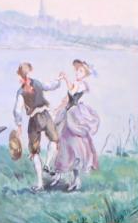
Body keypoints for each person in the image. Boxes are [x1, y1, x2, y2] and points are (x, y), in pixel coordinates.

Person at [49, 59, 101, 190]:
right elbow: (68, 97)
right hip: (67, 114)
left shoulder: (82, 85)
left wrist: (66, 79)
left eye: (81, 71)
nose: (78, 72)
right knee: (62, 144)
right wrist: (57, 109)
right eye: (77, 70)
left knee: (76, 147)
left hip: (75, 116)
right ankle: (59, 175)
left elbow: (72, 92)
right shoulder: (76, 84)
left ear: (85, 74)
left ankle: (76, 180)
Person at [12, 62, 62, 190]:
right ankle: (47, 165)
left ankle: (40, 183)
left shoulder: (21, 91)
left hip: (35, 119)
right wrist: (58, 81)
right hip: (44, 116)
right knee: (53, 140)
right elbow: (50, 86)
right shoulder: (36, 85)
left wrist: (19, 125)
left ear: (21, 75)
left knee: (35, 151)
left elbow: (17, 110)